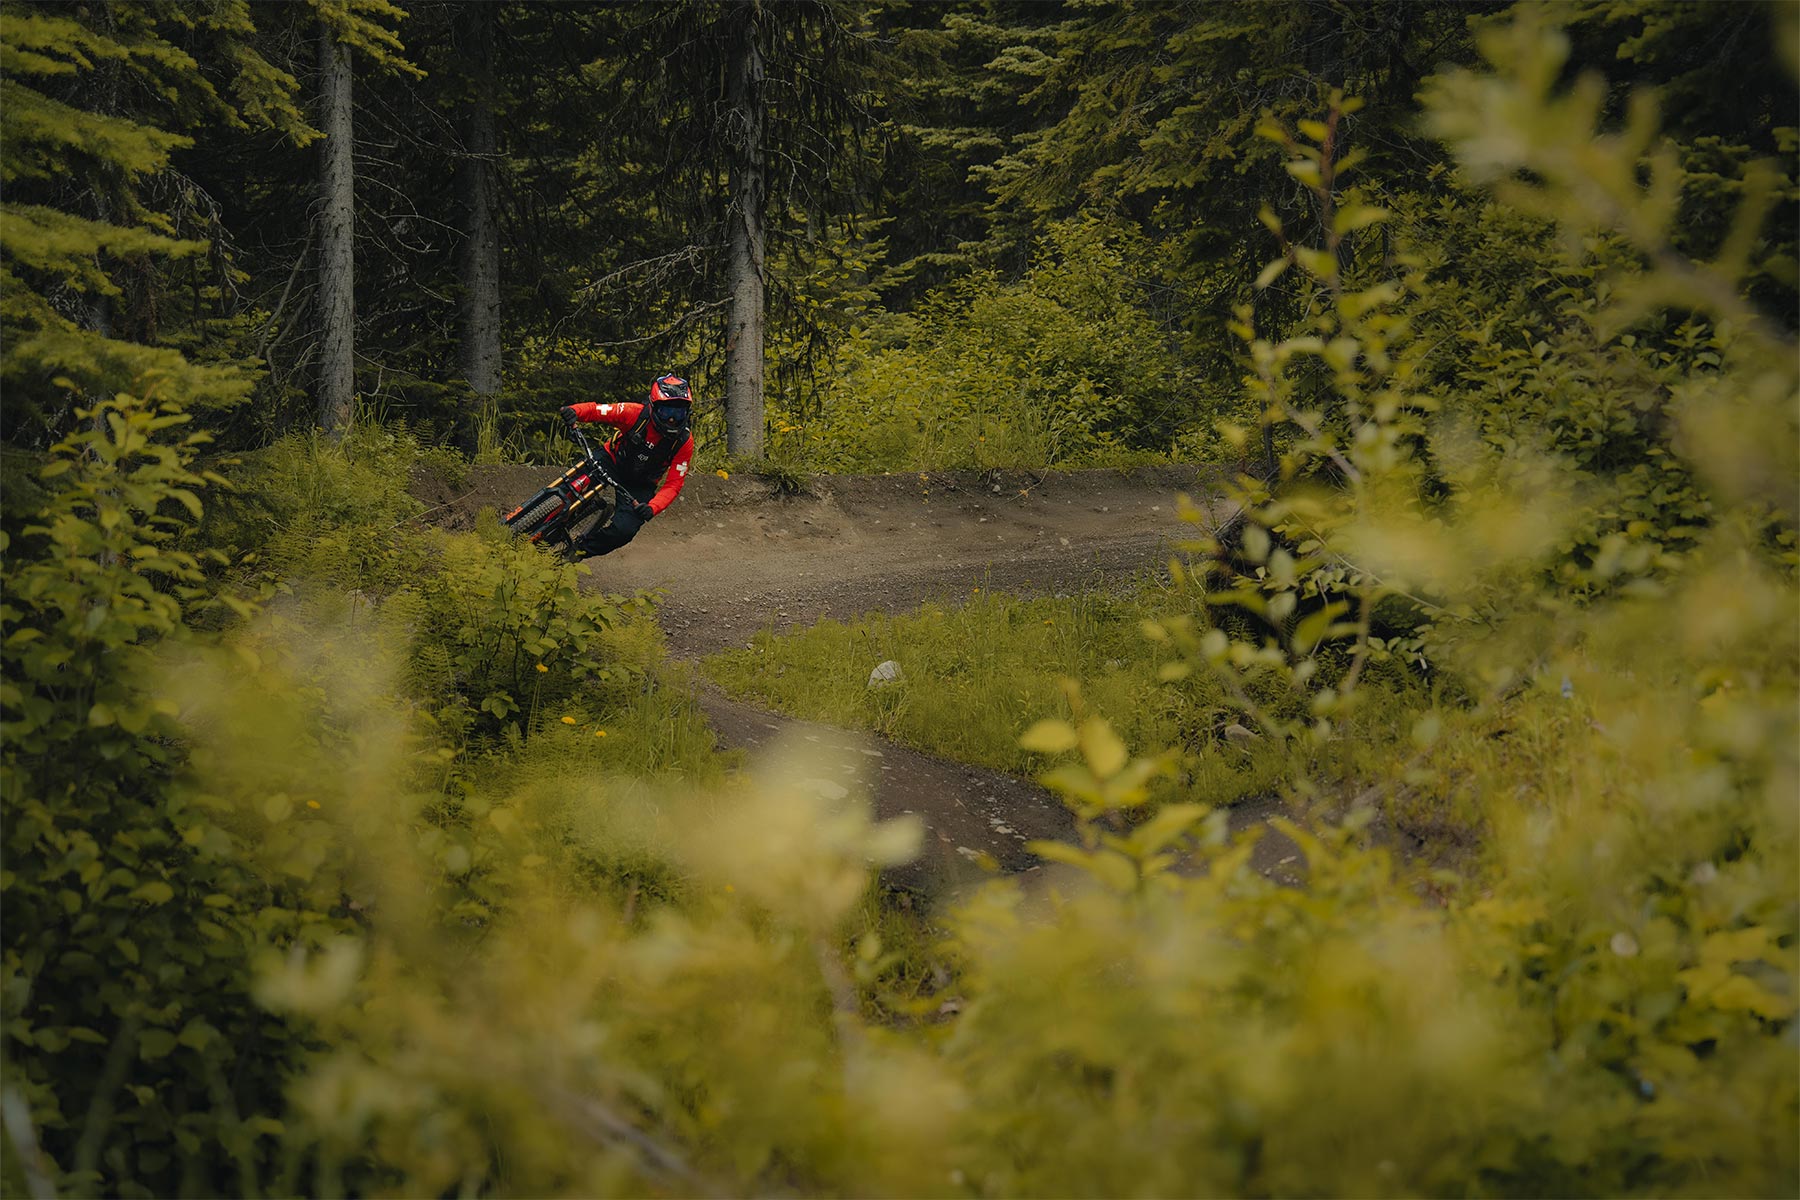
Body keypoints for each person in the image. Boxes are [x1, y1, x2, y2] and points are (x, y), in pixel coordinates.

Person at [558, 373, 695, 559]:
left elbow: (673, 484)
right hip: (611, 460)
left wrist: (652, 507)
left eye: (678, 413)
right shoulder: (634, 413)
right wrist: (575, 411)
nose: (672, 420)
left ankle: (578, 551)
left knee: (625, 531)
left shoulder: (683, 442)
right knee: (569, 488)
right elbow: (600, 410)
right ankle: (535, 517)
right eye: (667, 412)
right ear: (654, 407)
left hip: (640, 485)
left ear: (687, 413)